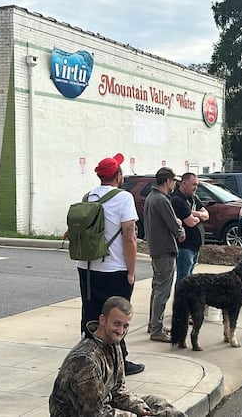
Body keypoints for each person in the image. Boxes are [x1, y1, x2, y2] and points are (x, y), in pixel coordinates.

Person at [49, 296, 186, 417]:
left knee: (158, 405)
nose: (121, 331)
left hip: (104, 407)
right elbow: (94, 413)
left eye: (125, 326)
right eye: (116, 324)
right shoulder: (85, 359)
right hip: (81, 414)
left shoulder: (113, 343)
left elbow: (118, 391)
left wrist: (140, 408)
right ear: (102, 320)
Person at [77, 153, 144, 376]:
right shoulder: (124, 198)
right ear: (119, 176)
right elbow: (129, 236)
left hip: (87, 267)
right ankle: (119, 363)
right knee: (118, 318)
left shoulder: (88, 197)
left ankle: (86, 362)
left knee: (92, 314)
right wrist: (132, 271)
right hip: (114, 270)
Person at [143, 167, 185, 343]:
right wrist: (180, 227)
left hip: (155, 248)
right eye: (174, 181)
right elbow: (175, 226)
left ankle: (154, 324)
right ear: (168, 181)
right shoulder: (162, 200)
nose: (175, 184)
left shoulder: (151, 198)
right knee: (163, 290)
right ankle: (156, 329)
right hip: (165, 249)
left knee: (157, 287)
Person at [170, 172, 208, 294]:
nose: (195, 187)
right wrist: (196, 216)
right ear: (184, 183)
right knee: (183, 279)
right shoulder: (177, 199)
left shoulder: (193, 198)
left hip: (195, 246)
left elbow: (206, 215)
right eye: (193, 184)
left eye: (197, 184)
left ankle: (186, 304)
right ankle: (180, 306)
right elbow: (191, 222)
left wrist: (195, 213)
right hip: (185, 247)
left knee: (190, 279)